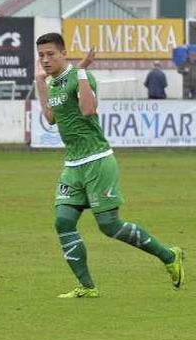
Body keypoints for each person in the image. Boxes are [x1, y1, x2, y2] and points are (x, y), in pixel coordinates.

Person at [34, 32, 183, 298]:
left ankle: (168, 255)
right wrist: (40, 83)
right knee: (63, 221)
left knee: (109, 225)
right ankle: (87, 287)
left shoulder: (82, 77)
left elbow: (89, 109)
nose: (45, 60)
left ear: (63, 53)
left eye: (50, 54)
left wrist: (81, 71)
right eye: (41, 55)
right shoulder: (53, 83)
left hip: (97, 160)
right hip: (73, 164)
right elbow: (50, 117)